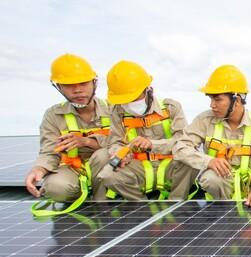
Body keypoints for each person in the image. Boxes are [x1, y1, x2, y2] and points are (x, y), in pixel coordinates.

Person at [173, 65, 251, 206]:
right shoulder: (204, 120)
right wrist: (208, 161)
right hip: (223, 185)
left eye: (217, 99)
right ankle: (224, 210)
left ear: (237, 100)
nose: (212, 105)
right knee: (210, 179)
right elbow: (180, 148)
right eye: (211, 99)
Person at [26, 53, 112, 215]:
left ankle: (106, 195)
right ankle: (86, 193)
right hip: (74, 169)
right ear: (58, 86)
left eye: (83, 83)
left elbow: (124, 142)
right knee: (55, 188)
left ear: (94, 82)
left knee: (103, 155)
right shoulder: (53, 114)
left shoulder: (114, 109)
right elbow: (49, 151)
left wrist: (87, 142)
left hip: (109, 167)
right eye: (69, 85)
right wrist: (39, 169)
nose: (78, 90)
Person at [98, 60, 194, 200]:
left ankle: (176, 205)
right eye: (125, 101)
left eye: (134, 98)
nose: (129, 104)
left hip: (170, 164)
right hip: (137, 165)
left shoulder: (171, 108)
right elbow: (115, 142)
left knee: (191, 160)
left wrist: (152, 144)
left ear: (148, 90)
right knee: (107, 176)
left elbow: (183, 142)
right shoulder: (116, 111)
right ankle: (141, 208)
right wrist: (119, 153)